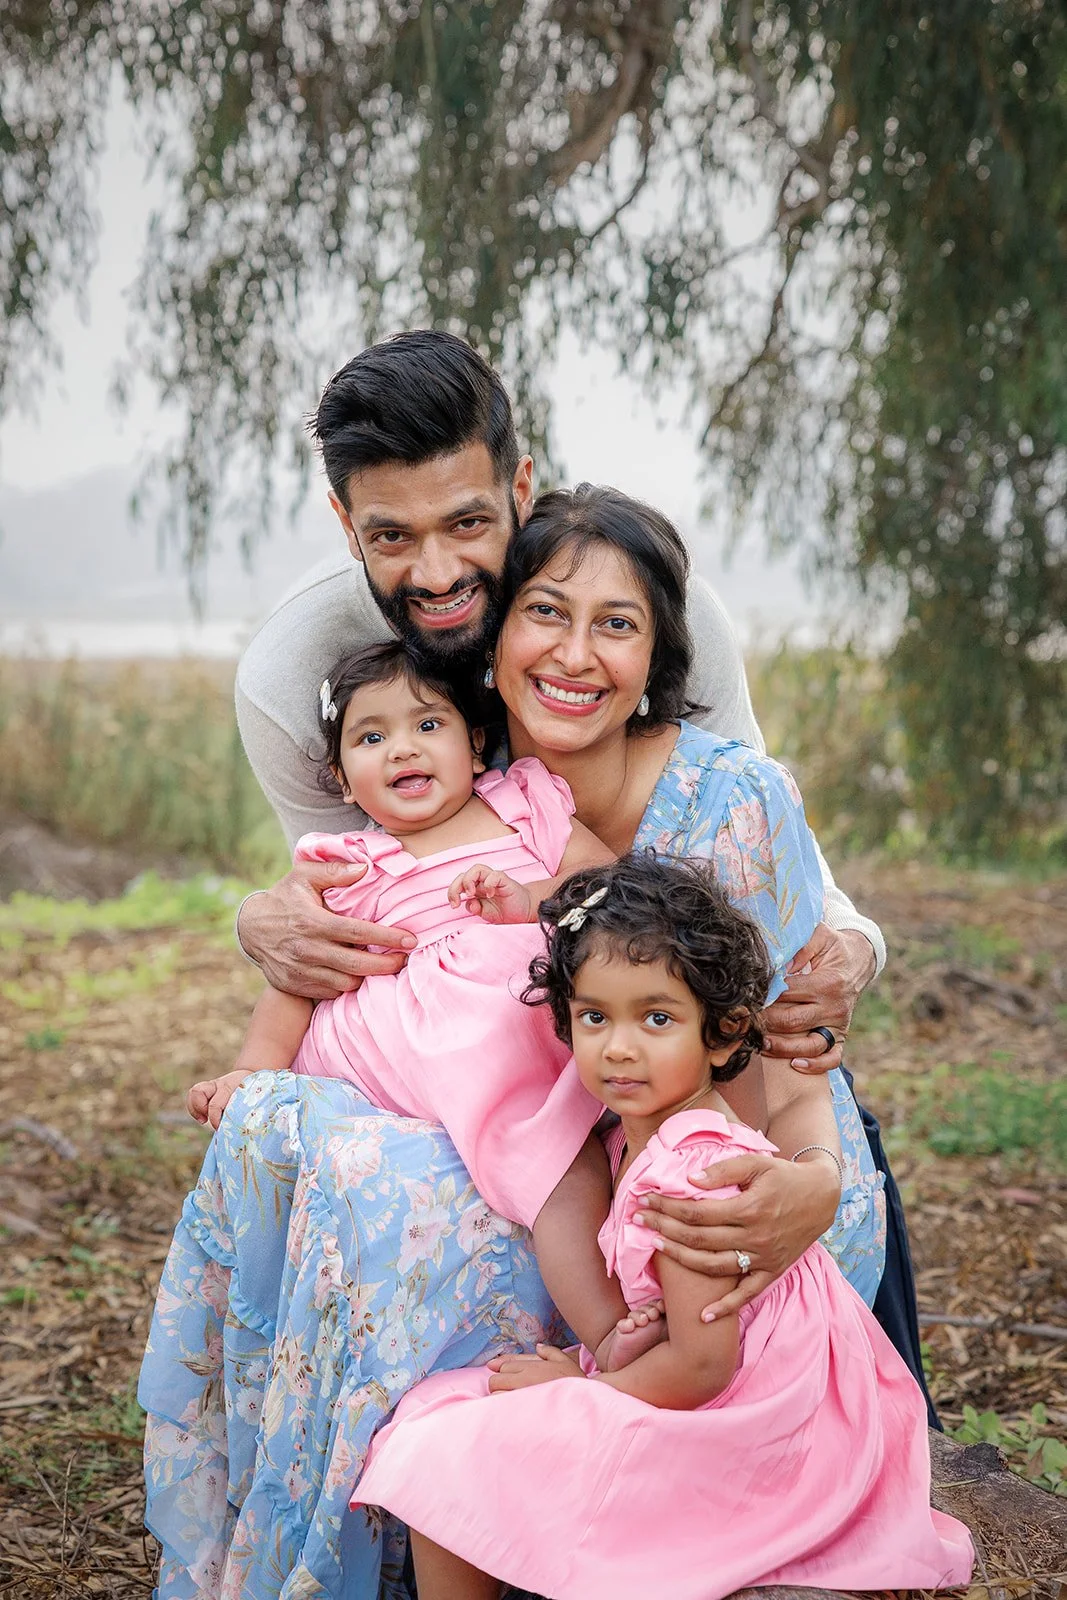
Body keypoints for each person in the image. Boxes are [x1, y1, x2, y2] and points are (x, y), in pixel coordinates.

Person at [140, 481, 894, 1599]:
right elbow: (340, 918)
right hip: (595, 1159)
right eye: (545, 612)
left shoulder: (727, 799)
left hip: (731, 1198)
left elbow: (779, 1054)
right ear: (492, 645)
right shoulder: (478, 784)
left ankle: (596, 1436)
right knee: (374, 1179)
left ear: (656, 657)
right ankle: (393, 1501)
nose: (575, 654)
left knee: (553, 1235)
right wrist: (261, 928)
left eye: (616, 624)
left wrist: (816, 1180)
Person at [231, 333, 933, 1409]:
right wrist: (261, 920)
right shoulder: (297, 675)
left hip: (719, 1096)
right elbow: (356, 895)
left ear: (518, 489)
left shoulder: (659, 617)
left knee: (783, 1144)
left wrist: (851, 959)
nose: (436, 573)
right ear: (345, 523)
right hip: (508, 1082)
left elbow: (765, 848)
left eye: (468, 523)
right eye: (391, 536)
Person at [354, 857, 972, 1600]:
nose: (618, 1047)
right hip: (741, 1390)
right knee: (445, 1416)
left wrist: (584, 1383)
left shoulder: (691, 1172)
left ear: (723, 1034)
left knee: (445, 1449)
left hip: (759, 1429)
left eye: (656, 1019)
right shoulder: (653, 1138)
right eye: (595, 1017)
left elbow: (703, 1367)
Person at [187, 639, 662, 1373]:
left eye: (428, 725)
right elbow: (296, 979)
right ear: (342, 779)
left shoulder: (525, 805)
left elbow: (608, 883)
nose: (402, 748)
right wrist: (250, 1072)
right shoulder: (351, 865)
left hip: (554, 1012)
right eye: (370, 737)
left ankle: (653, 1290)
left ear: (475, 746)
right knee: (558, 1168)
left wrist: (528, 900)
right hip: (456, 1051)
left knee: (628, 1139)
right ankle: (606, 1333)